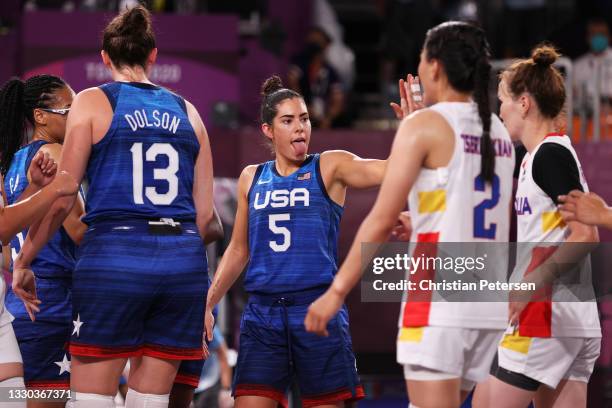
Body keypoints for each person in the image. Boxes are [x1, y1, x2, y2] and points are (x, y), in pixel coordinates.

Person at [12, 6, 214, 408]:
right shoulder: (190, 111)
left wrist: (25, 260)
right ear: (153, 55)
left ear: (104, 57)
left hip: (115, 260)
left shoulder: (91, 102)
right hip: (182, 263)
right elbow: (205, 218)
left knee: (91, 401)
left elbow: (63, 193)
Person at [305, 21, 516, 408]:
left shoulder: (426, 126)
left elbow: (381, 219)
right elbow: (468, 209)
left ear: (435, 66)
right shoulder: (498, 131)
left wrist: (336, 293)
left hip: (437, 296)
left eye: (421, 57)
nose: (418, 66)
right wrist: (420, 219)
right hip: (485, 300)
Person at [204, 75, 388, 407]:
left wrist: (413, 131)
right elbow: (238, 249)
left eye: (303, 119)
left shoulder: (330, 166)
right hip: (262, 313)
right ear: (268, 130)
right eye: (288, 121)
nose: (300, 128)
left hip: (316, 307)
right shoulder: (252, 177)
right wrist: (207, 302)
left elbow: (388, 170)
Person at [474, 46, 601, 408]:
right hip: (574, 315)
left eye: (503, 101)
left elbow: (586, 234)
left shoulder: (550, 155)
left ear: (524, 103)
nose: (500, 111)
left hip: (546, 311)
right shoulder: (537, 155)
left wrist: (530, 281)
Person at [0, 74, 86, 407]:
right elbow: (78, 229)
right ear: (41, 116)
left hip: (20, 305)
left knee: (19, 400)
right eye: (71, 110)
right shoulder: (56, 154)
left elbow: (7, 252)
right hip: (51, 303)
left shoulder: (14, 163)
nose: (79, 118)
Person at [573, 18, 612, 111]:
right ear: (587, 38)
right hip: (586, 118)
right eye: (594, 34)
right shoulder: (577, 65)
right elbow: (569, 94)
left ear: (609, 37)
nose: (598, 37)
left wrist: (585, 92)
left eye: (602, 34)